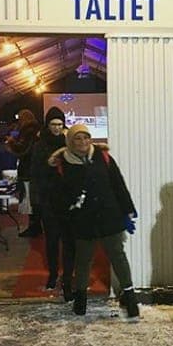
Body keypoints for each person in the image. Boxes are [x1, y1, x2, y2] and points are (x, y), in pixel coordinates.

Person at [49, 124, 140, 317]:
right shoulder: (63, 163)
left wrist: (128, 211)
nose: (83, 142)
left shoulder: (103, 157)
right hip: (83, 220)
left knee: (118, 256)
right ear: (70, 141)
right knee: (83, 260)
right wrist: (66, 215)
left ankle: (130, 298)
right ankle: (81, 299)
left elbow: (118, 184)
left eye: (86, 137)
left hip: (109, 216)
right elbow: (58, 195)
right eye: (77, 138)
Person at [30, 106, 76, 299]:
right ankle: (53, 273)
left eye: (60, 124)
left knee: (69, 240)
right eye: (53, 124)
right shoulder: (40, 145)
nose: (57, 128)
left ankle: (67, 277)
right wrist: (36, 200)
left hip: (67, 200)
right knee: (51, 240)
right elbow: (35, 172)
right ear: (47, 125)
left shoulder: (69, 143)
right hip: (49, 200)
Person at [6, 108, 42, 237]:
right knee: (33, 200)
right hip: (34, 169)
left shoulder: (28, 131)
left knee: (29, 199)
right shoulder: (36, 130)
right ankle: (36, 226)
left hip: (28, 170)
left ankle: (34, 227)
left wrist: (11, 142)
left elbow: (23, 149)